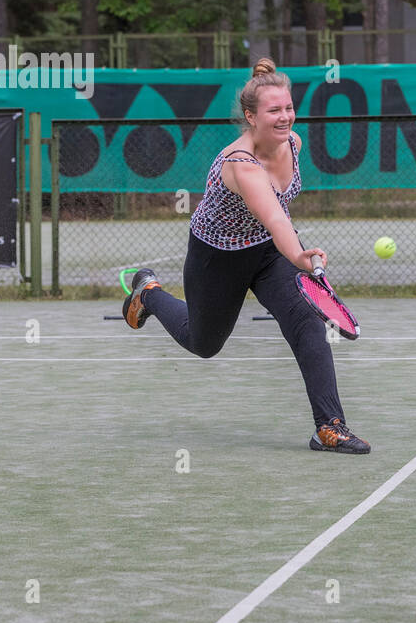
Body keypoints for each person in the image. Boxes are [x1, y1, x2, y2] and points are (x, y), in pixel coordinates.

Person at [119, 58, 370, 455]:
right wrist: (302, 257)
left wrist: (295, 256)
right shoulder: (241, 165)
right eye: (274, 110)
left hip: (269, 254)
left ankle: (330, 426)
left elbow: (277, 222)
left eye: (288, 107)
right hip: (217, 258)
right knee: (203, 344)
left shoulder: (293, 143)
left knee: (306, 322)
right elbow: (273, 216)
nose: (285, 116)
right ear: (251, 117)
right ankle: (148, 292)